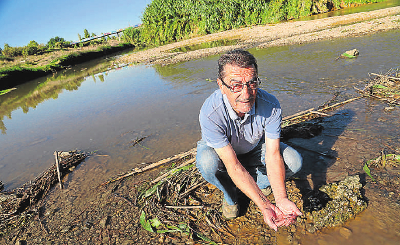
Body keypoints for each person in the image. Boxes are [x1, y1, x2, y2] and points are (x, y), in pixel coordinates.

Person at [196, 49, 303, 231]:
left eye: (252, 83)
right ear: (221, 86)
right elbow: (233, 166)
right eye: (235, 85)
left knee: (294, 161)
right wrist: (264, 205)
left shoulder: (271, 105)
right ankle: (230, 196)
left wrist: (280, 199)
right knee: (207, 163)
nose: (246, 94)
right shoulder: (210, 113)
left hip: (254, 147)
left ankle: (256, 187)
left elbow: (273, 154)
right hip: (222, 152)